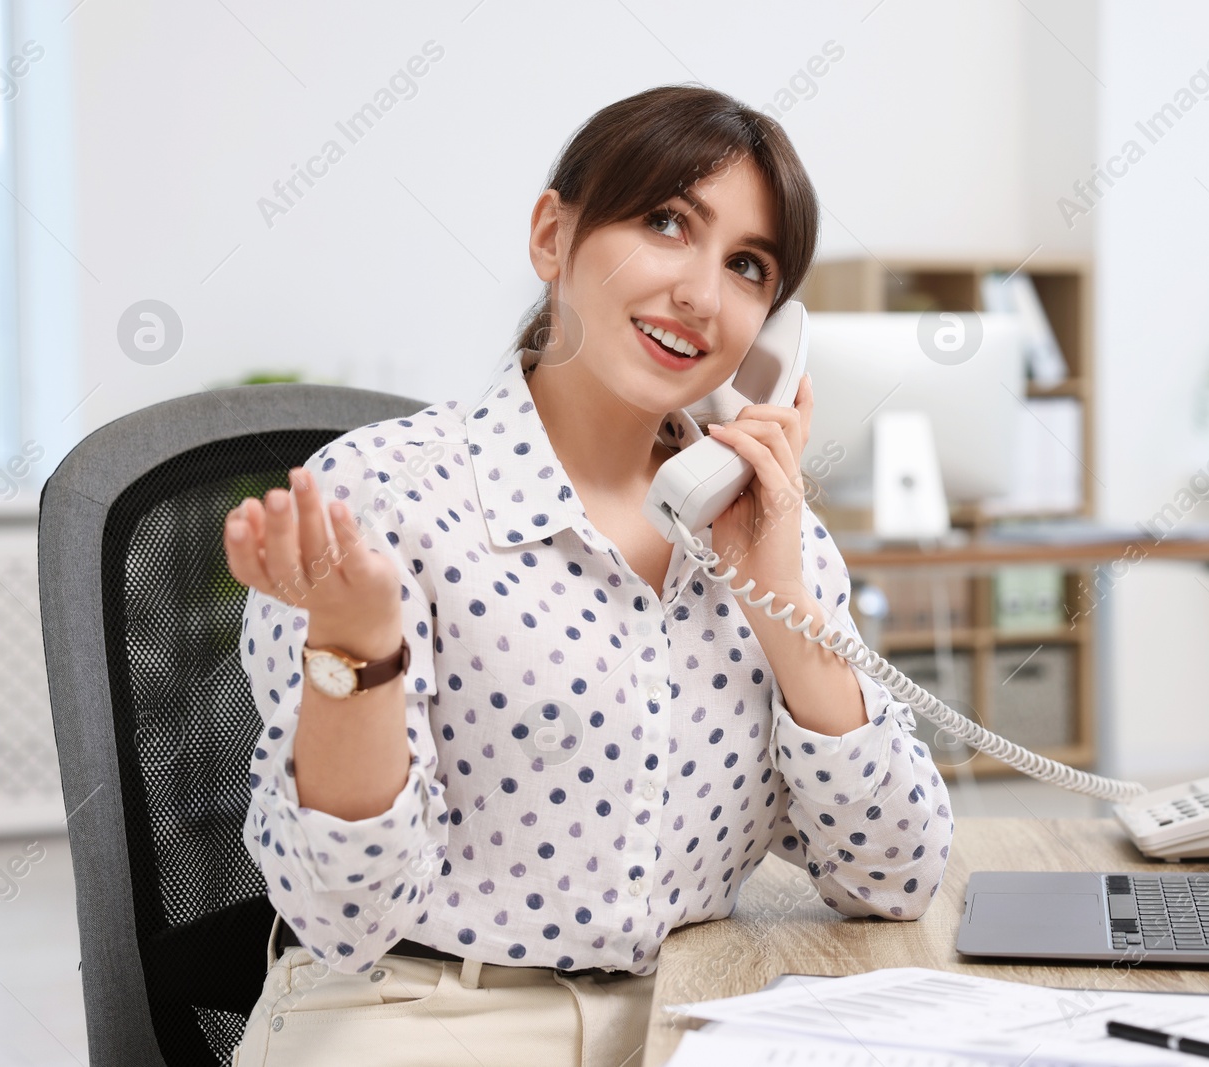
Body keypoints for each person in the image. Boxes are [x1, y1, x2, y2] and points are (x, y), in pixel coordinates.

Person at [221, 83, 954, 1067]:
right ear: (551, 236)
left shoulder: (768, 530)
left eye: (747, 266)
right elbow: (345, 919)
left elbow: (897, 873)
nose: (701, 293)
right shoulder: (380, 498)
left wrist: (780, 602)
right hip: (421, 1016)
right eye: (664, 222)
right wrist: (359, 646)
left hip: (692, 1014)